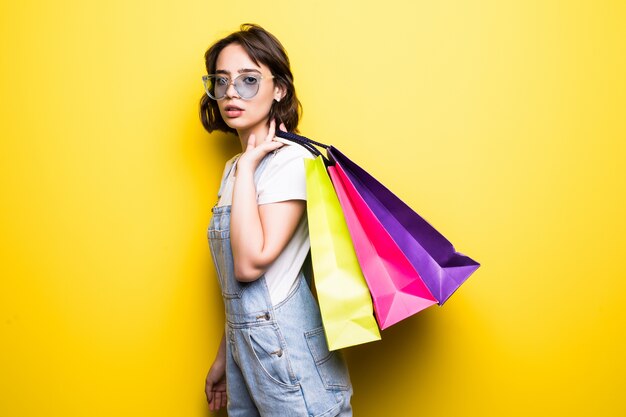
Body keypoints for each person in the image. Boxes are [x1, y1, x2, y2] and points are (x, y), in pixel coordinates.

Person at [199, 24, 353, 417]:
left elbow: (251, 264)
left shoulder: (291, 161)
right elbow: (238, 290)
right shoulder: (235, 168)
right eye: (222, 80)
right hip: (248, 356)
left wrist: (251, 164)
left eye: (249, 80)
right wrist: (225, 355)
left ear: (279, 88)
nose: (232, 92)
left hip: (290, 358)